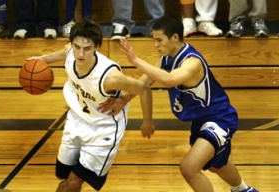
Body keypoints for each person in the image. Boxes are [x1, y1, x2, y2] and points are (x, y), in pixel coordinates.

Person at [99, 15, 259, 192]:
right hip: (201, 121)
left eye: (159, 40)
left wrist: (136, 60)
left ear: (174, 37)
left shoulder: (192, 62)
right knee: (216, 165)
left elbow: (169, 80)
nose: (156, 45)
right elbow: (145, 82)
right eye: (154, 40)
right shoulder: (166, 58)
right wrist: (123, 99)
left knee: (189, 168)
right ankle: (243, 189)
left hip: (219, 119)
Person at [27, 19, 155, 191]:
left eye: (87, 48)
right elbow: (63, 52)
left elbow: (144, 89)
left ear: (96, 47)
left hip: (104, 128)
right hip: (77, 120)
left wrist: (146, 121)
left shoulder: (110, 77)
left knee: (73, 183)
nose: (80, 54)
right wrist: (42, 60)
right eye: (77, 46)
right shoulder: (70, 52)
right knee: (62, 175)